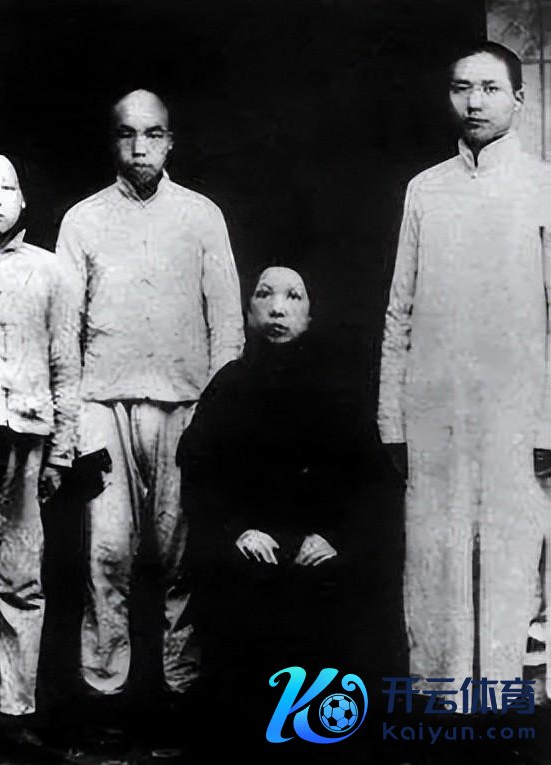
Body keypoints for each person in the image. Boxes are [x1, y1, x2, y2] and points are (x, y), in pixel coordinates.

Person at [56, 89, 244, 741]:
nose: (140, 148)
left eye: (153, 134)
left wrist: (215, 418)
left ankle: (179, 691)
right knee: (106, 555)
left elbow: (227, 325)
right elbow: (64, 330)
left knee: (178, 555)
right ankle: (105, 693)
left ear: (171, 140)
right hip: (102, 406)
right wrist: (72, 423)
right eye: (127, 134)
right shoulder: (82, 220)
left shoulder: (201, 215)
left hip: (185, 407)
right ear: (113, 141)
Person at [378, 41, 551, 701]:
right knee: (436, 562)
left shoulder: (542, 186)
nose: (474, 102)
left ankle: (511, 709)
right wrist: (393, 419)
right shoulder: (426, 189)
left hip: (518, 416)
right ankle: (444, 705)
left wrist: (549, 422)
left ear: (518, 99)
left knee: (515, 563)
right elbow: (400, 309)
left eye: (489, 88)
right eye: (461, 88)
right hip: (436, 413)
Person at [177, 266, 385, 753]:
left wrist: (335, 538)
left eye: (293, 297)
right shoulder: (228, 385)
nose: (277, 308)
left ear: (311, 314)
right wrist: (237, 531)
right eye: (264, 295)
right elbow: (199, 472)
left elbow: (369, 479)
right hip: (251, 545)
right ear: (248, 310)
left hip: (318, 546)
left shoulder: (340, 387)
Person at [0, 154, 80, 759]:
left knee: (22, 581)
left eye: (7, 187)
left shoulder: (51, 272)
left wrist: (61, 453)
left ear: (24, 198)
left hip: (29, 441)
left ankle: (18, 712)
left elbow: (66, 365)